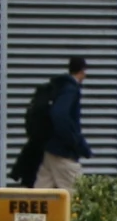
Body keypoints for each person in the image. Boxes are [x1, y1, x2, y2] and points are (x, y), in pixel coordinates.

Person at [32, 56, 92, 191]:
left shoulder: (60, 87)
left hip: (51, 149)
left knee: (41, 196)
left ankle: (30, 213)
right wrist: (74, 141)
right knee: (78, 195)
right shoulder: (71, 89)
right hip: (63, 153)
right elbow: (59, 115)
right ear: (82, 71)